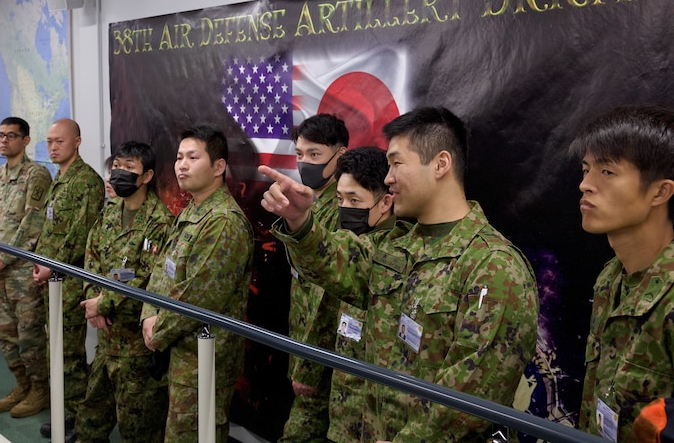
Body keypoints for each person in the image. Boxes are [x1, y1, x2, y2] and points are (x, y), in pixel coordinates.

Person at [260, 106, 538, 441]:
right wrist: (300, 221)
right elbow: (337, 266)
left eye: (397, 163)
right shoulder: (395, 246)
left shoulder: (493, 267)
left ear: (441, 164)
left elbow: (470, 400)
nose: (388, 178)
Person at [141, 124, 253, 442]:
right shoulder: (194, 209)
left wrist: (157, 330)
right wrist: (149, 314)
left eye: (193, 157)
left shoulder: (223, 222)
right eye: (179, 157)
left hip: (205, 355)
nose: (182, 165)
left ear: (218, 167)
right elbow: (164, 269)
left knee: (193, 434)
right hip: (181, 349)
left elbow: (199, 298)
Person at [570, 105, 674, 442]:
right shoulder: (612, 279)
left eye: (607, 173)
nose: (585, 185)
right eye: (586, 170)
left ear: (660, 191)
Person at [75, 141, 174, 443]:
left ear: (146, 176)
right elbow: (91, 256)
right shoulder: (109, 212)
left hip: (136, 349)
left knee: (138, 429)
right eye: (116, 166)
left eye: (129, 168)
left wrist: (103, 304)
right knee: (91, 418)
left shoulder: (161, 222)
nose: (119, 173)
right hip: (106, 342)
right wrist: (94, 300)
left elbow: (148, 277)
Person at [32, 118, 104, 439]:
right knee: (59, 350)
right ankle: (70, 412)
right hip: (52, 279)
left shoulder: (86, 181)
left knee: (70, 356)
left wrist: (52, 265)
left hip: (69, 280)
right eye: (49, 142)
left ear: (77, 141)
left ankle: (79, 418)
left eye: (59, 141)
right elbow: (51, 229)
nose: (53, 147)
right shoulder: (58, 179)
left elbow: (80, 235)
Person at [0, 117, 52, 417]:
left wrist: (4, 257)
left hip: (21, 271)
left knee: (29, 335)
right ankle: (22, 384)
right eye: (1, 135)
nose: (4, 140)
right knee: (5, 334)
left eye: (11, 135)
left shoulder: (37, 175)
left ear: (25, 140)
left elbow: (33, 223)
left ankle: (40, 390)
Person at [282, 113, 348, 443]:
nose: (304, 163)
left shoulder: (345, 208)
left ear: (341, 155)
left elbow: (328, 297)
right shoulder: (308, 200)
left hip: (328, 359)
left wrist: (308, 366)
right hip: (303, 345)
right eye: (299, 154)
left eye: (314, 155)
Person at [329, 146, 397, 443]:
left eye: (354, 200)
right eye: (340, 199)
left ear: (385, 203)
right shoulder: (355, 239)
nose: (344, 208)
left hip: (376, 424)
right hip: (343, 410)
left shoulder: (393, 252)